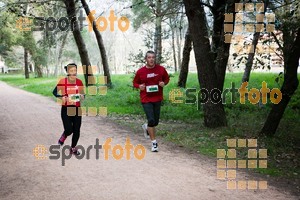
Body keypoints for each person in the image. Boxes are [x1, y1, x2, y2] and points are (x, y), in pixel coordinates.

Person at [133, 51, 170, 152]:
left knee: (155, 122)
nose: (151, 59)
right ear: (146, 59)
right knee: (151, 120)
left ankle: (146, 127)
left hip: (157, 98)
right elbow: (135, 82)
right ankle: (154, 143)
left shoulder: (161, 69)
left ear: (155, 59)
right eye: (149, 57)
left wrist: (164, 83)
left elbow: (167, 79)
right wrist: (139, 86)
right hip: (146, 98)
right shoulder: (141, 71)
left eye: (153, 57)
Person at [52, 63, 85, 155]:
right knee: (69, 130)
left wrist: (82, 96)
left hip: (77, 109)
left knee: (77, 130)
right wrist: (61, 96)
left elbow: (83, 95)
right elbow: (54, 92)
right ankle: (64, 136)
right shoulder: (63, 81)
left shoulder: (79, 82)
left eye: (75, 70)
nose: (74, 72)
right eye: (71, 71)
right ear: (68, 72)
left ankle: (73, 148)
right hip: (66, 109)